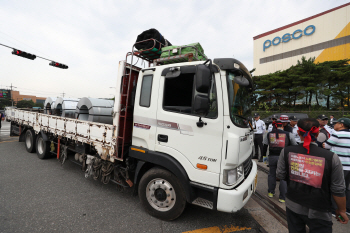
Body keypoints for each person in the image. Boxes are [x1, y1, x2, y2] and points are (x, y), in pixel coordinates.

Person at [277, 118, 348, 232]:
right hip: (320, 209)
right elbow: (338, 189)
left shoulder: (286, 151)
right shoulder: (331, 157)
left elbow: (280, 175)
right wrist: (341, 210)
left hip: (293, 204)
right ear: (318, 133)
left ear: (298, 132)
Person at [263, 120, 297, 203]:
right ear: (282, 126)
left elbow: (264, 145)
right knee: (283, 176)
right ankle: (282, 197)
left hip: (272, 157)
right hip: (284, 158)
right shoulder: (288, 134)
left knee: (271, 174)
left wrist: (264, 157)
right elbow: (294, 145)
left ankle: (270, 192)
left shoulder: (269, 134)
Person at [324, 118, 350, 217]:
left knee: (335, 188)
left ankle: (334, 210)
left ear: (341, 125)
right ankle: (347, 208)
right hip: (349, 167)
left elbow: (326, 146)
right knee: (346, 188)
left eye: (336, 123)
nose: (334, 125)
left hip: (339, 166)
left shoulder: (337, 134)